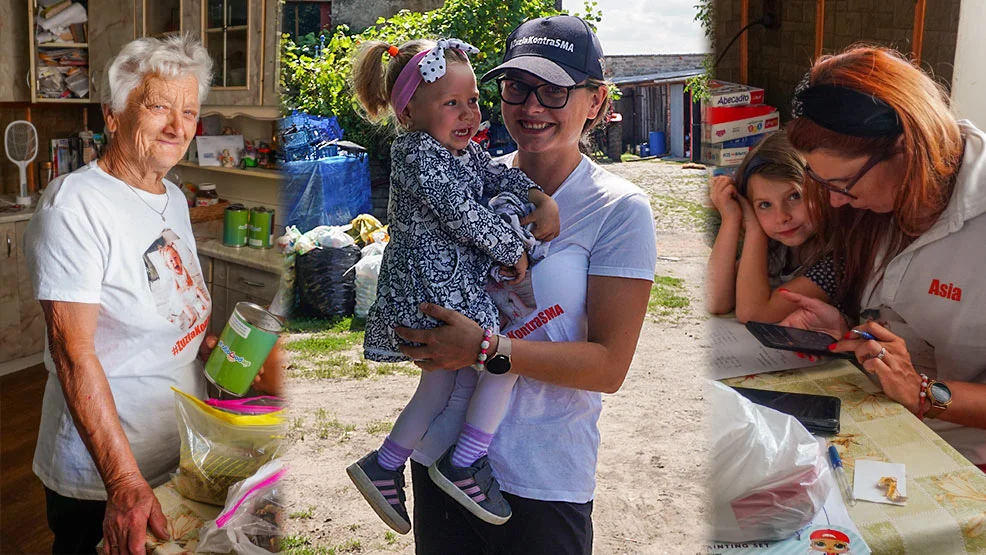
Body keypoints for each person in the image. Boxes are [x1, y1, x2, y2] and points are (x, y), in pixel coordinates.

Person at [389, 15, 657, 554]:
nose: (532, 107)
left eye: (555, 90)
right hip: (438, 457)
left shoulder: (619, 210)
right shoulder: (467, 178)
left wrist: (488, 349)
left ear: (596, 102)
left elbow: (608, 367)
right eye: (518, 87)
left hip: (542, 474)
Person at [23, 35, 280, 555]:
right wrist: (123, 483)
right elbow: (73, 354)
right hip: (105, 475)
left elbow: (166, 305)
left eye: (189, 111)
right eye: (158, 105)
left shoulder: (173, 198)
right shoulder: (75, 207)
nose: (178, 126)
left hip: (179, 452)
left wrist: (196, 342)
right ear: (114, 114)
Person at [344, 37, 561, 533]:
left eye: (473, 102)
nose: (468, 115)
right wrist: (513, 249)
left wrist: (536, 195)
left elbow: (494, 176)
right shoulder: (420, 155)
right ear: (410, 114)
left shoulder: (456, 152)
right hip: (432, 292)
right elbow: (462, 213)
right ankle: (465, 461)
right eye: (451, 103)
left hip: (437, 292)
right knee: (503, 364)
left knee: (439, 383)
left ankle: (385, 464)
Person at [778, 45, 986, 471]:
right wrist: (849, 333)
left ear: (907, 151)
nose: (835, 203)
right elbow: (905, 331)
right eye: (820, 181)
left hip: (965, 458)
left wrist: (924, 392)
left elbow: (918, 380)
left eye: (843, 184)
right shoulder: (874, 210)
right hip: (883, 424)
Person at [706, 132, 840, 323]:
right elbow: (716, 300)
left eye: (795, 196)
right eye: (765, 205)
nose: (782, 217)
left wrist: (754, 229)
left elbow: (753, 314)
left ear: (822, 188)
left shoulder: (835, 260)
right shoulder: (776, 249)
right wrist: (731, 217)